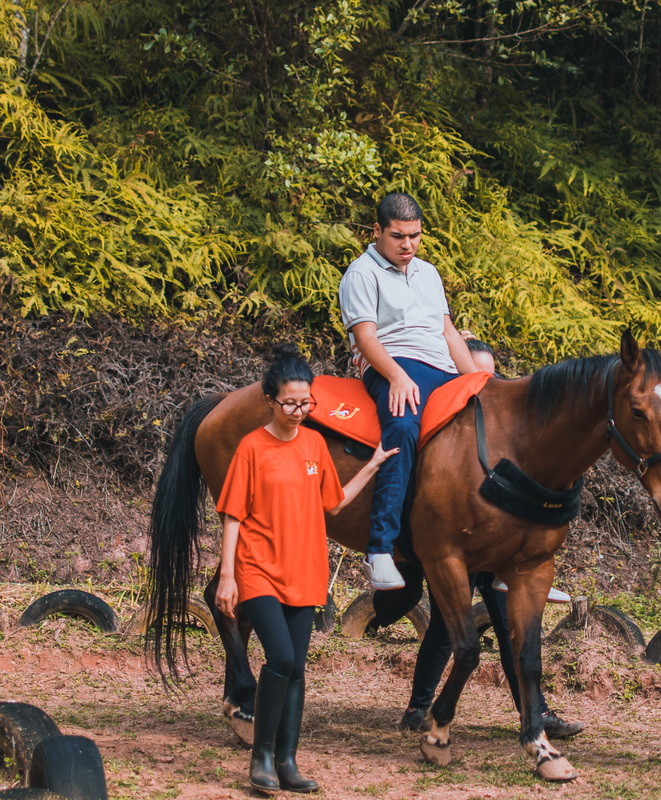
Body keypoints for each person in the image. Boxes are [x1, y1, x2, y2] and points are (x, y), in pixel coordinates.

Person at [214, 344, 398, 793]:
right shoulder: (251, 448)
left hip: (305, 568)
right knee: (279, 658)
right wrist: (226, 574)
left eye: (306, 403)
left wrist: (372, 465)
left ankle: (288, 761)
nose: (299, 411)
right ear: (270, 400)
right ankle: (261, 758)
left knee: (296, 668)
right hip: (257, 568)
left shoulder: (315, 443)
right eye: (290, 403)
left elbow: (332, 502)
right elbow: (233, 514)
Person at [400, 336, 583, 741]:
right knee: (446, 627)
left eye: (491, 377)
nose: (484, 384)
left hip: (502, 544)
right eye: (475, 375)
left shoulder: (514, 428)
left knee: (508, 624)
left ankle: (534, 713)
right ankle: (419, 706)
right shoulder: (456, 429)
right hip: (463, 541)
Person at [338, 193, 478, 591]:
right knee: (400, 431)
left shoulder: (428, 273)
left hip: (444, 367)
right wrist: (397, 377)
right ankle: (379, 550)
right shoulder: (361, 273)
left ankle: (507, 556)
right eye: (398, 236)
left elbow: (447, 332)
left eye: (415, 236)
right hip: (393, 364)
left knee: (494, 431)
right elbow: (365, 338)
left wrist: (481, 383)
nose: (408, 245)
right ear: (377, 231)